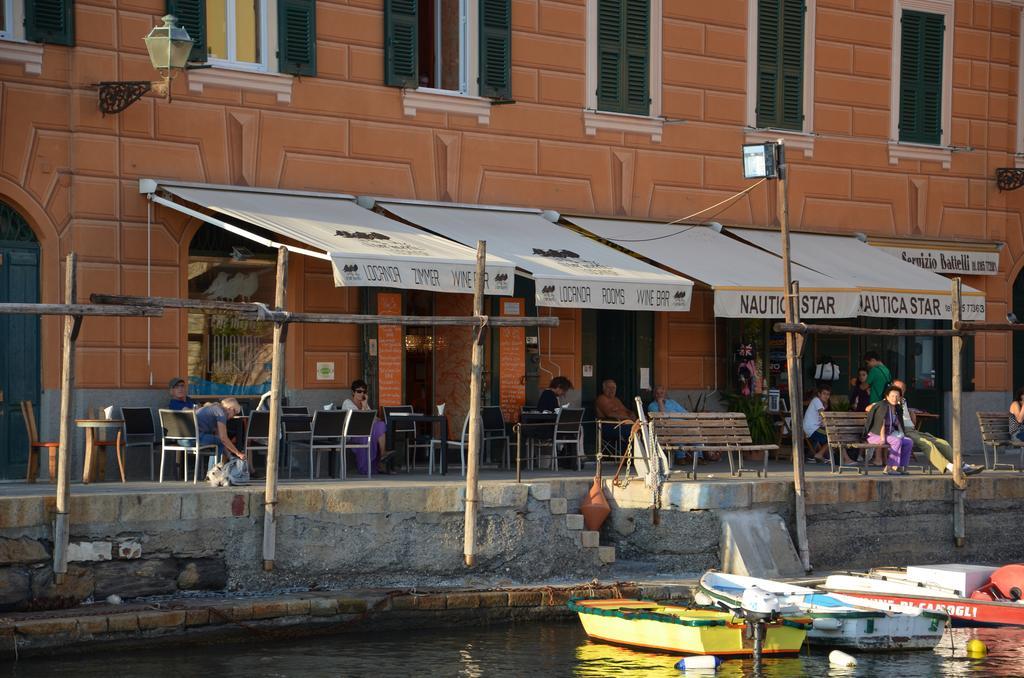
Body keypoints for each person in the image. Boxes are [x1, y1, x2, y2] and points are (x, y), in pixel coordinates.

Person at [892, 380, 981, 476]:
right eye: (897, 389)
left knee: (942, 442)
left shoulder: (903, 401)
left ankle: (962, 466)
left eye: (902, 389)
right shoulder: (891, 402)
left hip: (913, 430)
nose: (899, 391)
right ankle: (950, 467)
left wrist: (911, 414)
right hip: (903, 431)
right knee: (927, 444)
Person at [341, 379, 392, 475]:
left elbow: (373, 418)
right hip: (353, 434)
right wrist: (365, 408)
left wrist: (365, 407)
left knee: (380, 425)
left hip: (365, 432)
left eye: (363, 392)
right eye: (359, 391)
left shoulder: (364, 404)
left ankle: (383, 454)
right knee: (367, 434)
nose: (361, 394)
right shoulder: (347, 403)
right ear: (353, 392)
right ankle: (371, 466)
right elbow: (360, 419)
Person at [863, 385, 912, 474]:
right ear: (887, 397)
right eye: (892, 396)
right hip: (875, 435)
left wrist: (901, 433)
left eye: (897, 396)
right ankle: (889, 468)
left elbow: (898, 423)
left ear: (900, 397)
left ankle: (900, 467)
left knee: (908, 442)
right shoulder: (883, 406)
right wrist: (882, 438)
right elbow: (881, 422)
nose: (895, 398)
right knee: (896, 441)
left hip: (889, 435)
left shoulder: (897, 407)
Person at [196, 398, 245, 465]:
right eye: (235, 413)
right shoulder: (221, 413)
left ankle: (213, 470)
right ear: (230, 408)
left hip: (183, 439)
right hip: (197, 439)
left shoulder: (213, 409)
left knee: (218, 441)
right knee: (220, 442)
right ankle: (212, 473)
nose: (233, 416)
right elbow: (223, 439)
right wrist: (238, 453)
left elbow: (219, 437)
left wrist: (230, 456)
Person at [595, 379, 635, 445]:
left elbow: (627, 411)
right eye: (609, 388)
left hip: (622, 424)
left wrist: (631, 414)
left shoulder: (616, 400)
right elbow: (609, 414)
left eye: (613, 388)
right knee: (632, 430)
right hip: (609, 426)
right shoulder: (602, 399)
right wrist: (628, 418)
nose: (611, 390)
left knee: (640, 427)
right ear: (604, 389)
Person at [802, 384, 831, 465]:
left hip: (812, 428)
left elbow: (821, 420)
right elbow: (823, 414)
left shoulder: (820, 403)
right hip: (812, 428)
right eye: (824, 394)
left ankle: (812, 456)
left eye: (828, 394)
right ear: (819, 394)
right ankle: (819, 454)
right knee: (832, 437)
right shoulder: (816, 400)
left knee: (829, 436)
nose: (826, 396)